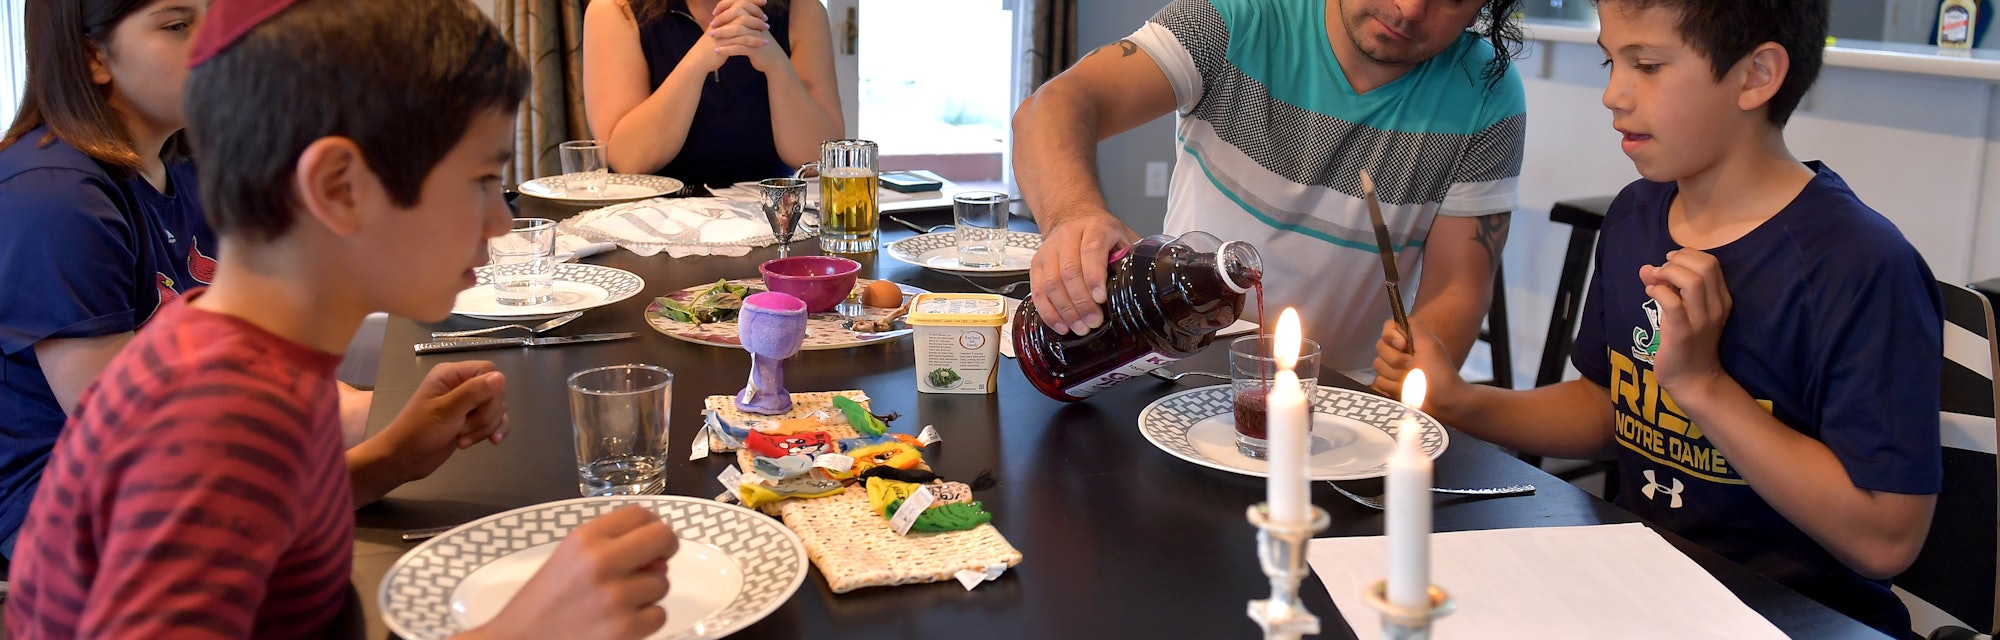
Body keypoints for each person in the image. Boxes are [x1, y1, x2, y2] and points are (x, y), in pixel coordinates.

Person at [7, 0, 683, 637]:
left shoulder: (235, 354)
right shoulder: (214, 419)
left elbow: (260, 526)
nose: (499, 221)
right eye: (480, 180)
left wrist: (388, 461)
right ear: (337, 187)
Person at [1372, 0, 1940, 635]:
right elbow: (1608, 405)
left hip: (1793, 617)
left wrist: (1702, 386)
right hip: (1640, 584)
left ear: (1756, 76)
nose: (1613, 94)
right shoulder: (1637, 215)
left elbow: (1886, 540)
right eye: (1611, 61)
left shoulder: (1859, 265)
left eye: (1647, 65)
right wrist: (1464, 403)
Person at [0, 0, 422, 566]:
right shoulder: (55, 199)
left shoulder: (188, 162)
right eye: (177, 26)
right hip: (66, 511)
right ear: (92, 55)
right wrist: (384, 457)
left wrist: (382, 416)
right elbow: (140, 435)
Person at [1013, 0, 1528, 378]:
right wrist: (1074, 214)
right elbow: (1053, 106)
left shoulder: (1486, 92)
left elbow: (1457, 287)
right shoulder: (1235, 16)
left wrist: (1400, 391)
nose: (1410, 9)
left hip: (1339, 405)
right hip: (1175, 380)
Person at [583, 0, 844, 187]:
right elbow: (629, 159)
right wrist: (699, 60)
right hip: (650, 219)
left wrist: (776, 64)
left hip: (771, 216)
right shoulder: (615, 10)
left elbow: (819, 156)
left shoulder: (803, 10)